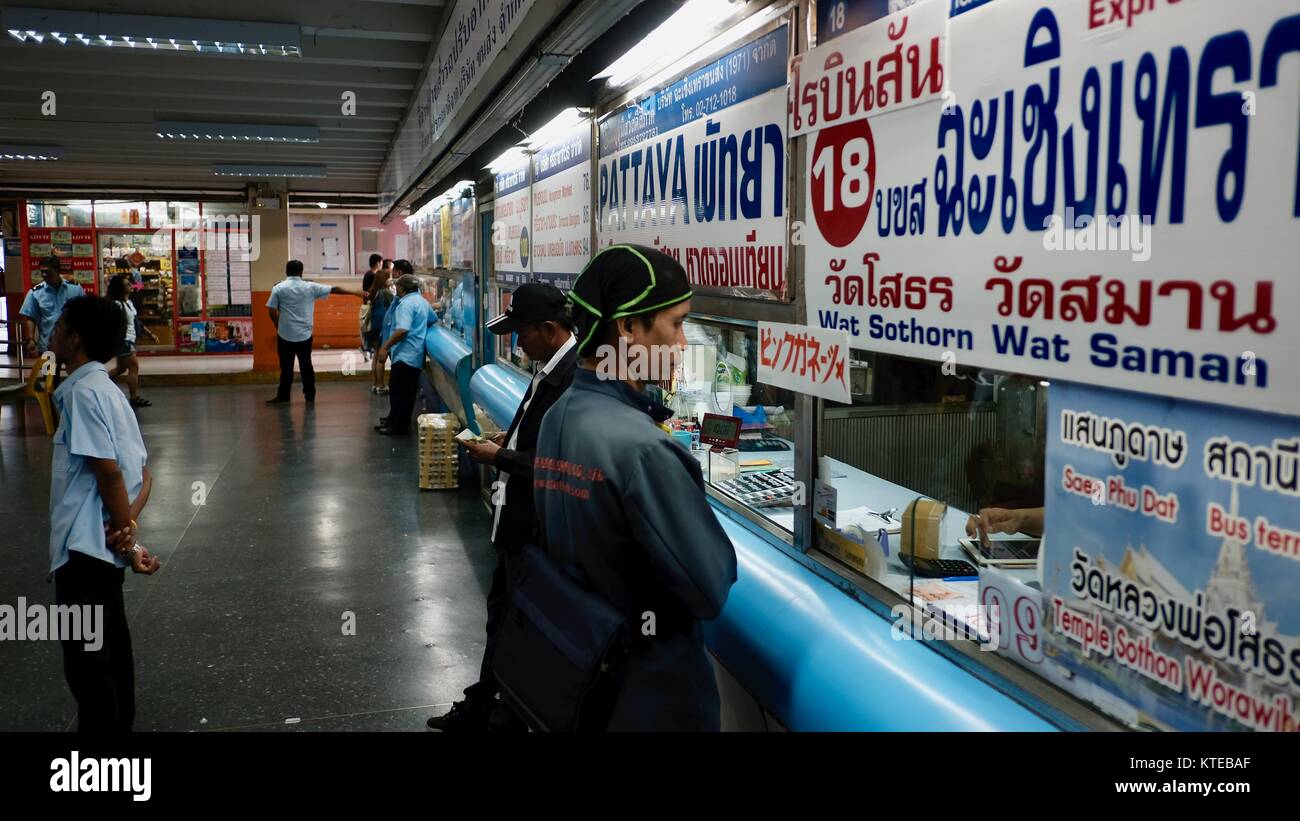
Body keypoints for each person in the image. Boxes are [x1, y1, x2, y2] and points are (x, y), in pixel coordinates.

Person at [531, 244, 737, 731]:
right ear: (626, 328)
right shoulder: (644, 450)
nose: (684, 344)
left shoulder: (559, 416)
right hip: (648, 694)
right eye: (677, 323)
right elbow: (710, 588)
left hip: (580, 673)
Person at [427, 283, 579, 733]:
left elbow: (564, 466)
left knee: (516, 623)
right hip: (514, 519)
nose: (516, 342)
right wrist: (506, 441)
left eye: (522, 332)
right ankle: (488, 707)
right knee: (503, 618)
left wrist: (502, 458)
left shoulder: (572, 379)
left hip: (535, 527)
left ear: (550, 329)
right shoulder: (547, 366)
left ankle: (501, 714)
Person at [47, 296, 161, 732]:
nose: (52, 332)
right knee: (112, 653)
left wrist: (128, 538)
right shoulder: (111, 392)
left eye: (58, 326)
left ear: (75, 339)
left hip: (83, 555)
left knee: (86, 667)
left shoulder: (82, 393)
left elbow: (111, 475)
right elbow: (143, 476)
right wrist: (130, 540)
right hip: (104, 550)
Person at [265, 260, 367, 405]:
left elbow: (271, 311)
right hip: (304, 335)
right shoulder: (310, 287)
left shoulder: (279, 288)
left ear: (286, 271)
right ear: (301, 272)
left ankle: (284, 395)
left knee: (286, 368)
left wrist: (279, 326)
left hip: (285, 335)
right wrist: (355, 292)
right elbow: (335, 289)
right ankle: (310, 396)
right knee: (306, 366)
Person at [374, 265, 431, 435]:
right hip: (414, 355)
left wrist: (385, 346)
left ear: (402, 288)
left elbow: (402, 330)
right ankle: (394, 420)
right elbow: (432, 319)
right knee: (403, 392)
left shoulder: (406, 304)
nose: (395, 288)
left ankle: (398, 427)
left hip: (405, 355)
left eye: (397, 285)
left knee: (400, 394)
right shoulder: (422, 301)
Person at [105, 275, 158, 408]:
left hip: (128, 340)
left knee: (121, 368)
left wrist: (149, 333)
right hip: (124, 341)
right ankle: (134, 397)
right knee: (133, 366)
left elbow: (135, 321)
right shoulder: (117, 305)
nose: (131, 286)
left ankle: (97, 382)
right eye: (127, 284)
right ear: (120, 288)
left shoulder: (128, 303)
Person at [20, 255, 83, 358]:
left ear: (58, 270)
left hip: (72, 345)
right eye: (42, 272)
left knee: (77, 374)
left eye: (48, 272)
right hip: (47, 347)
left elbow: (85, 313)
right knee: (49, 373)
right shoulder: (35, 293)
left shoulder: (75, 289)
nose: (44, 275)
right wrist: (30, 339)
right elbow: (30, 318)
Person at [367, 269, 394, 395]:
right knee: (381, 358)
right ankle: (381, 385)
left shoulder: (373, 291)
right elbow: (396, 304)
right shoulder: (385, 292)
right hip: (382, 327)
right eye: (389, 278)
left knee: (376, 356)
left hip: (373, 327)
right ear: (384, 280)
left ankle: (375, 384)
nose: (391, 280)